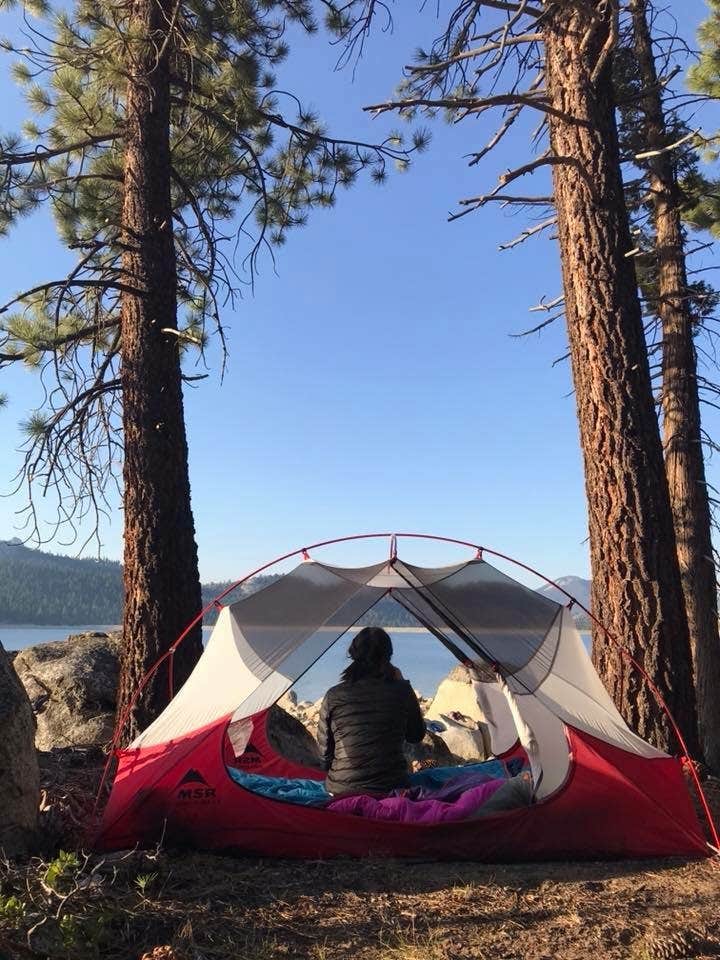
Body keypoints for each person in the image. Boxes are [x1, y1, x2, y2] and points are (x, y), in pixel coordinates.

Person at [316, 627, 426, 796]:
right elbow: (416, 735)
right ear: (389, 655)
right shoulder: (402, 690)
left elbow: (324, 755)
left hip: (341, 790)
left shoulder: (333, 695)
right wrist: (403, 682)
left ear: (353, 654)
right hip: (391, 788)